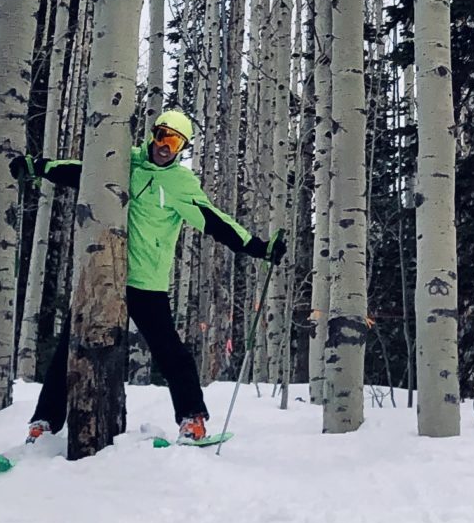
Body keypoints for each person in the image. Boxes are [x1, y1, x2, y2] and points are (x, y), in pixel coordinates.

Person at [19, 107, 284, 444]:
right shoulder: (125, 162)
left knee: (171, 352)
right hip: (107, 275)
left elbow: (213, 220)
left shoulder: (180, 183)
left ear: (181, 148)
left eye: (175, 141)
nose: (165, 146)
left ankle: (192, 420)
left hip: (146, 283)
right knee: (71, 347)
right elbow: (83, 173)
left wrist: (257, 247)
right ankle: (43, 423)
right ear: (153, 134)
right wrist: (38, 167)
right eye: (162, 136)